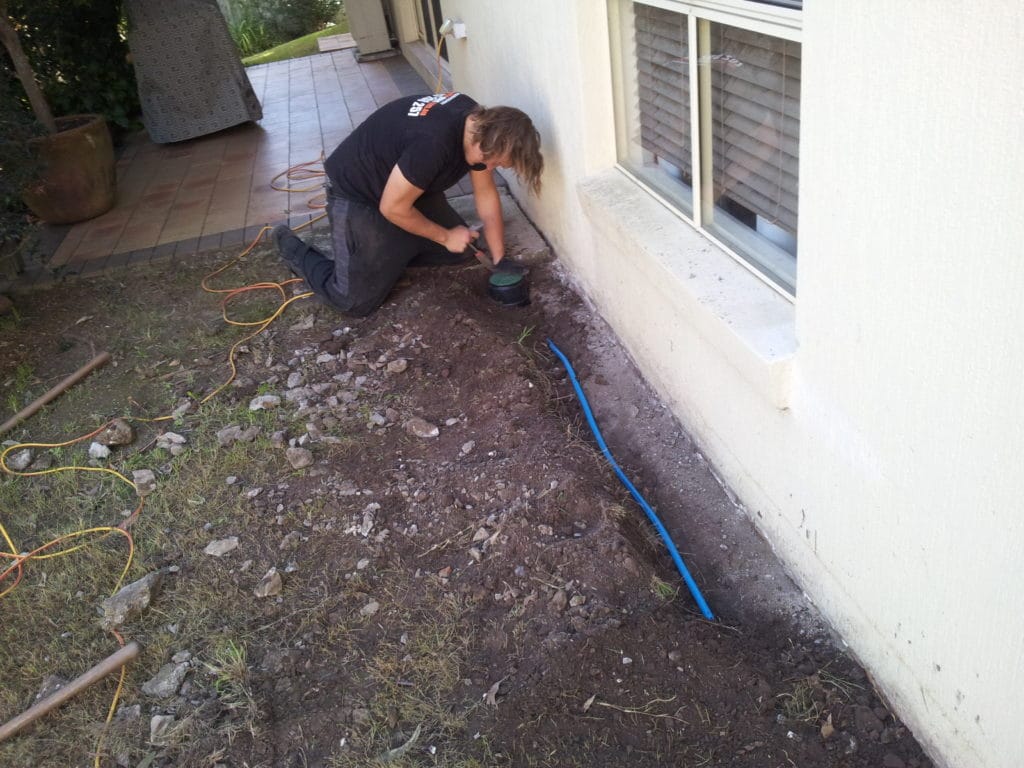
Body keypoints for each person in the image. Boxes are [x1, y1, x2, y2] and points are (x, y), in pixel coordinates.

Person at [272, 92, 543, 316]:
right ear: (486, 139)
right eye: (494, 161)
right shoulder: (433, 144)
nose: (490, 167)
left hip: (407, 189)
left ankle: (392, 246)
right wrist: (445, 235)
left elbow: (485, 194)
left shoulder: (478, 126)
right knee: (352, 301)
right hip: (359, 193)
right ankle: (289, 245)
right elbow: (392, 208)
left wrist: (498, 258)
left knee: (463, 250)